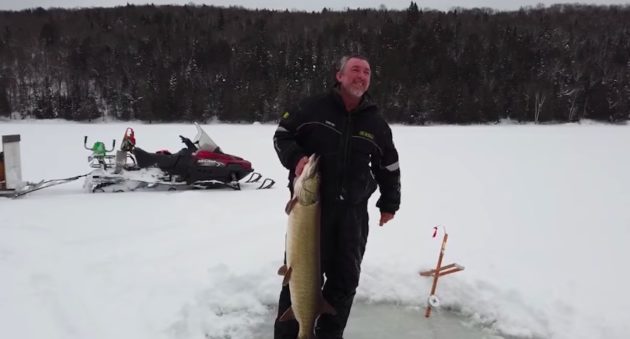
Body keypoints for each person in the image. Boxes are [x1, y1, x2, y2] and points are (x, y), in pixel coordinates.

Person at [272, 55, 401, 338]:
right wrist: (296, 158)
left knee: (344, 282)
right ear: (339, 75)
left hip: (353, 216)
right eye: (355, 69)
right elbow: (282, 135)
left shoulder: (375, 122)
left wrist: (389, 203)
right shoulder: (312, 108)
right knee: (299, 278)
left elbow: (389, 165)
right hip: (312, 210)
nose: (362, 76)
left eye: (367, 72)